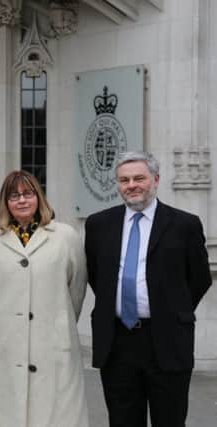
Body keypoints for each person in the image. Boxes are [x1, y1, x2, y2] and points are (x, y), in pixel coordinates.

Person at [85, 151, 212, 427]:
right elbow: (98, 277)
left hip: (167, 341)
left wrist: (172, 310)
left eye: (139, 178)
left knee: (170, 420)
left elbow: (200, 278)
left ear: (155, 179)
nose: (131, 185)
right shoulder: (99, 225)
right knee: (122, 421)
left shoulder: (184, 224)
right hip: (117, 343)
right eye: (124, 179)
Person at [0, 170, 89, 427]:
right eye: (14, 195)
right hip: (7, 345)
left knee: (57, 415)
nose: (22, 200)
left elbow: (76, 291)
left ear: (39, 197)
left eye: (28, 193)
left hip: (53, 345)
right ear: (5, 201)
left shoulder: (66, 237)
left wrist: (57, 320)